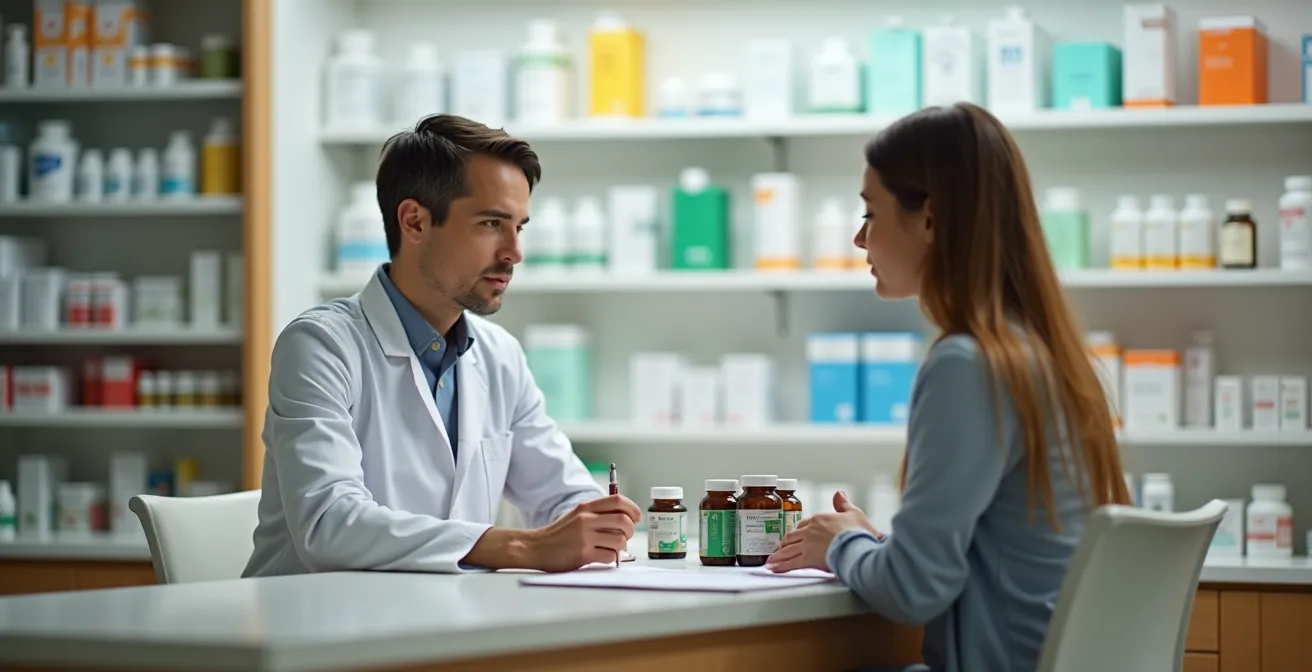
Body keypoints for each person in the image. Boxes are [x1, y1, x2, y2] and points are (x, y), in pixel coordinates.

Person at [765, 102, 1131, 672]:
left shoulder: (969, 364)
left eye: (872, 213)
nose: (861, 239)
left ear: (929, 220)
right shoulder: (1042, 353)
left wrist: (837, 546)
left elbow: (915, 593)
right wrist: (873, 543)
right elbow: (968, 558)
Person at [243, 114, 641, 577]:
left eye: (519, 227)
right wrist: (523, 548)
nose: (514, 252)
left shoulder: (499, 355)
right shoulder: (320, 346)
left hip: (444, 622)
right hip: (311, 630)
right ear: (414, 221)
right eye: (492, 224)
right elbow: (330, 525)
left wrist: (596, 524)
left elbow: (564, 497)